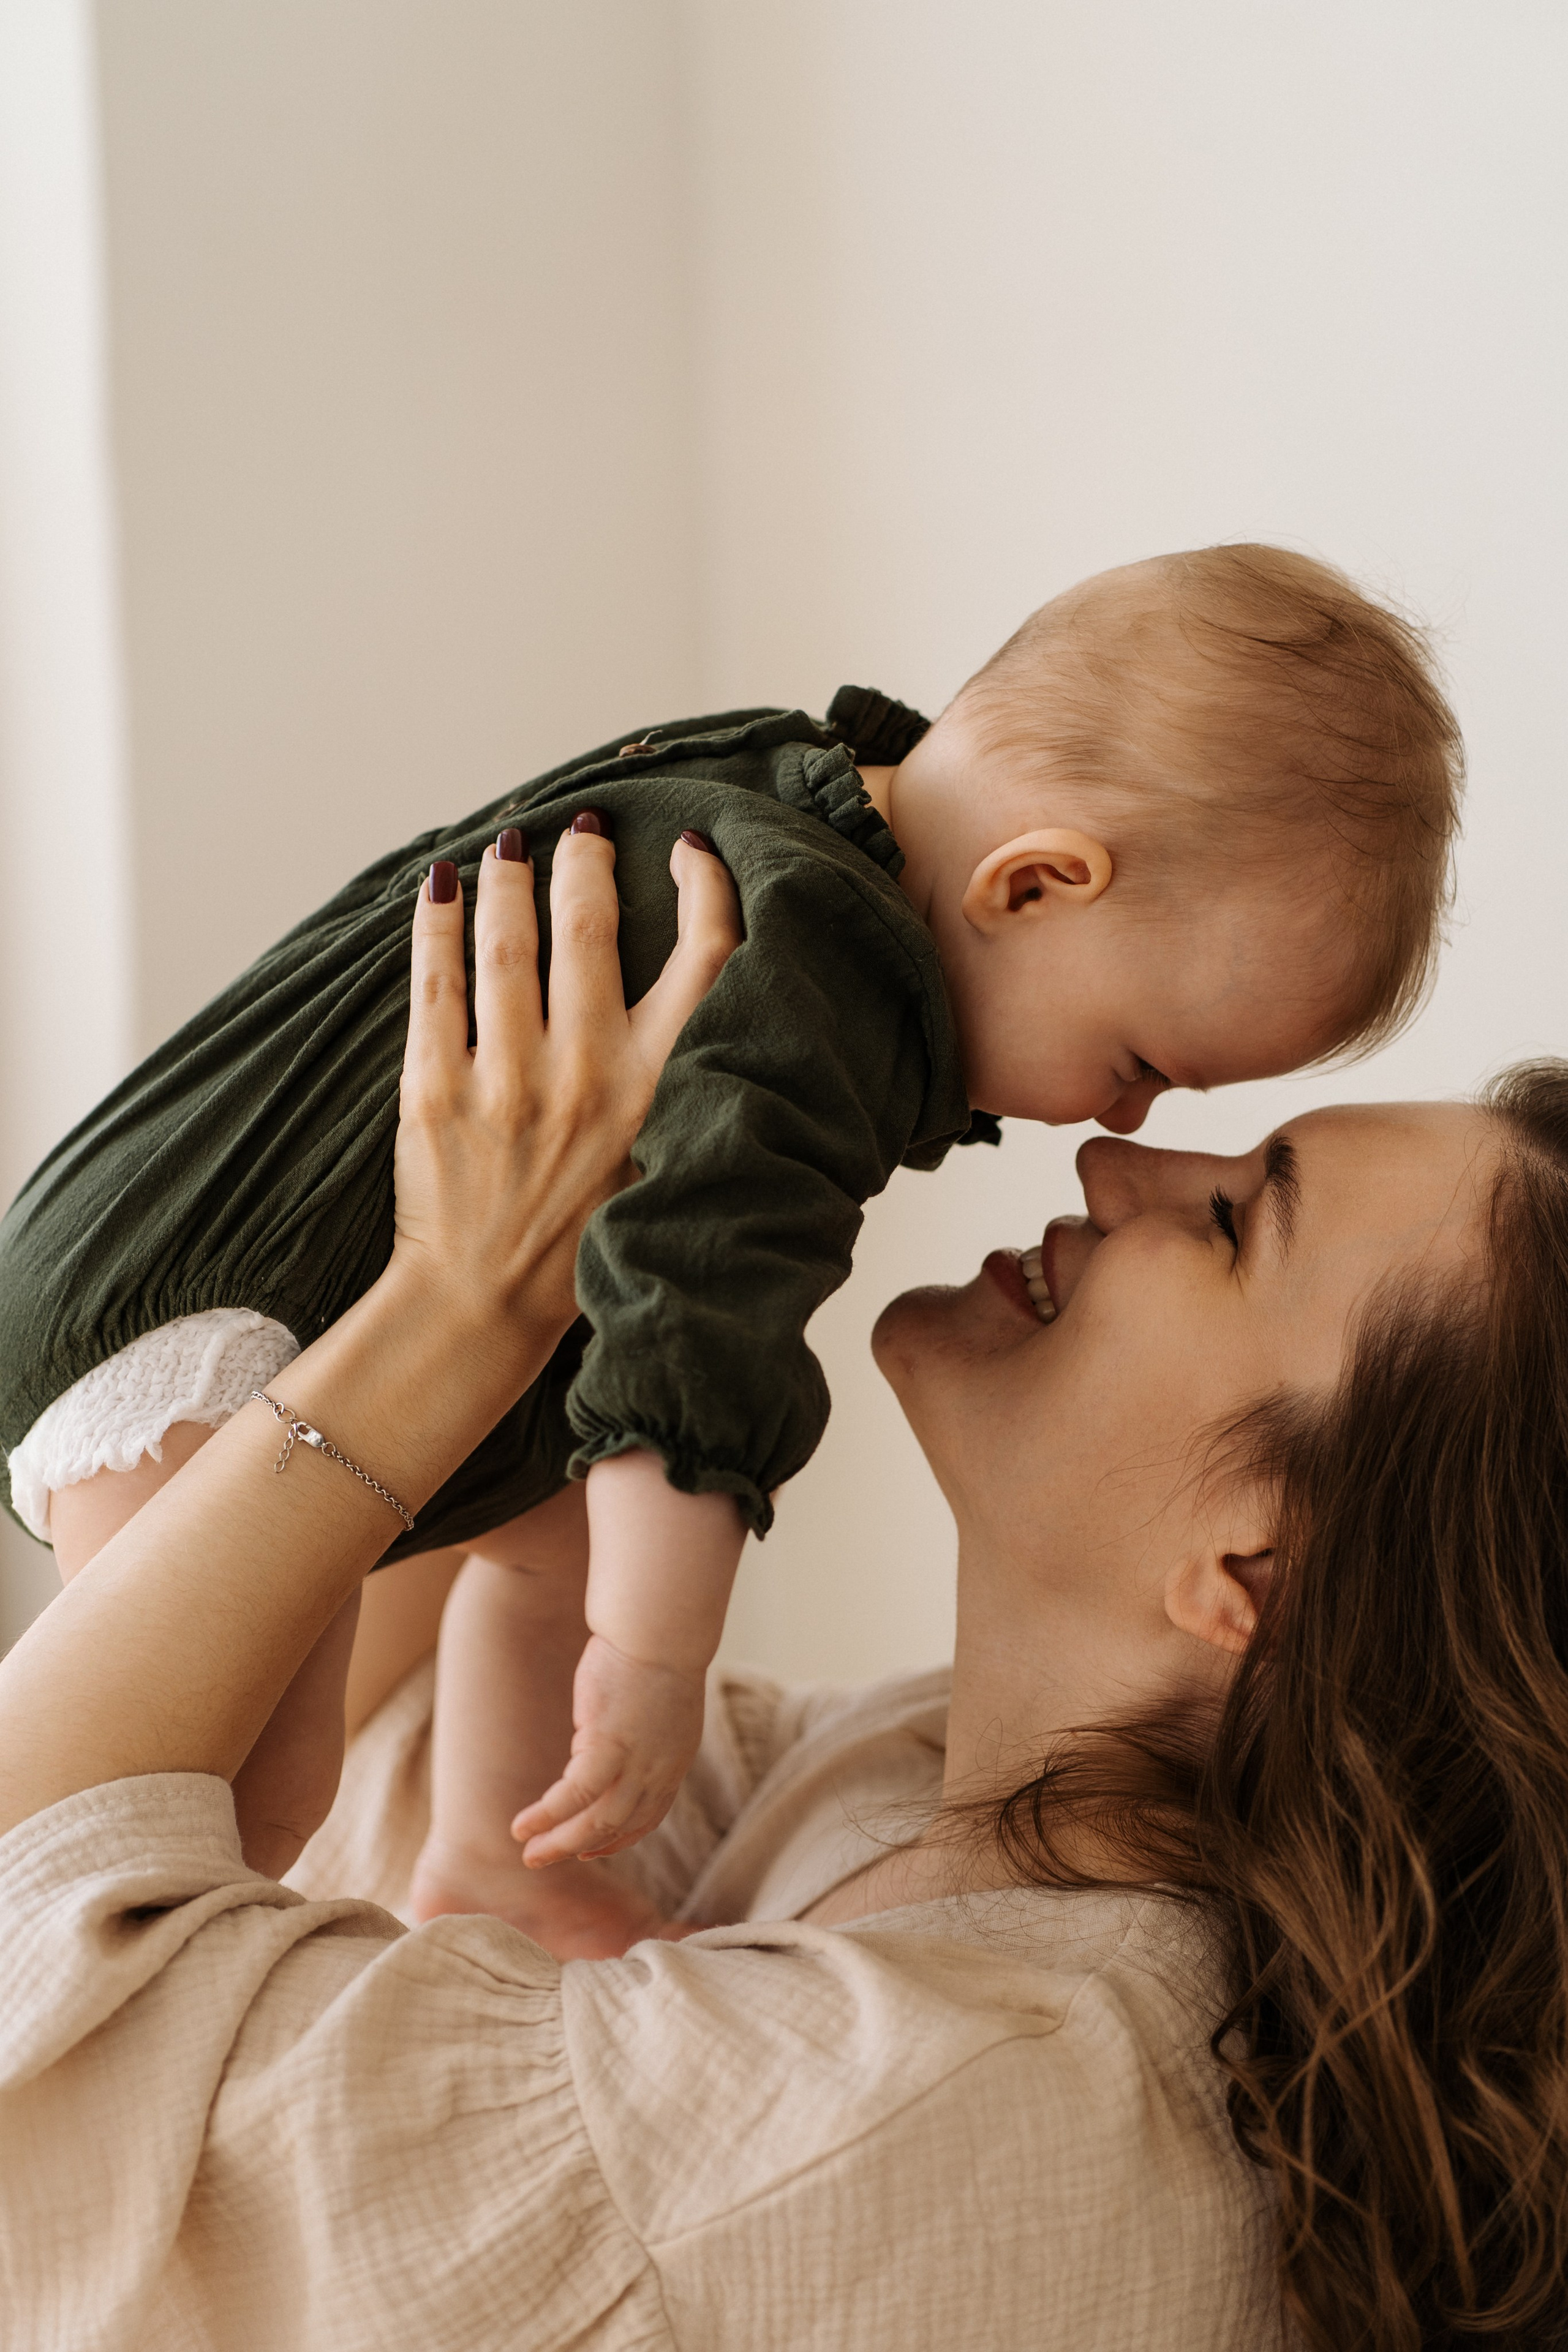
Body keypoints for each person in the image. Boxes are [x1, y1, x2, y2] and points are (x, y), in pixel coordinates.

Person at [1, 831, 1565, 2351]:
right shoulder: (925, 1788)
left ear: (1257, 1571)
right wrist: (594, 1214)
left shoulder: (917, 2107)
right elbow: (386, 1736)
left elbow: (48, 1999)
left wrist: (457, 1305)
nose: (1114, 1157)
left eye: (1232, 1221)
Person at [0, 545, 1464, 1959]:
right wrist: (652, 1661)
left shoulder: (784, 784)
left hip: (143, 1232)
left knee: (550, 1539)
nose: (1112, 1125)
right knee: (232, 1814)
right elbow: (698, 1303)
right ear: (1030, 885)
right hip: (209, 1322)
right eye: (1140, 1060)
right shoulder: (819, 974)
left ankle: (497, 1867)